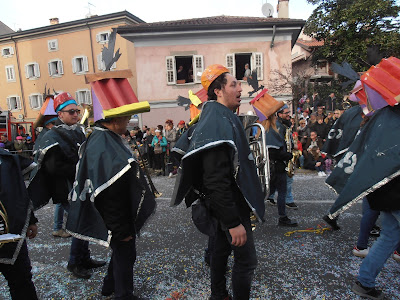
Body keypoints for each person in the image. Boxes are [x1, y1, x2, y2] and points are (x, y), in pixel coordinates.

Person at [171, 64, 265, 300]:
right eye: (233, 84)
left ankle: (218, 295)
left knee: (220, 252)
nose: (240, 88)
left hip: (223, 205)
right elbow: (215, 180)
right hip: (229, 206)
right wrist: (233, 222)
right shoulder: (217, 121)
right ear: (218, 91)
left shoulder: (218, 116)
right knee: (246, 262)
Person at [67, 115, 156, 299]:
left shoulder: (102, 137)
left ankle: (109, 286)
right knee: (125, 254)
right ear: (115, 120)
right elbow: (110, 193)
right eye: (126, 119)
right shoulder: (104, 144)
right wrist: (121, 229)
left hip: (118, 214)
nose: (128, 123)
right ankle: (123, 295)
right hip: (117, 217)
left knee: (121, 253)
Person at [28, 92, 105, 279]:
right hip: (65, 188)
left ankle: (84, 258)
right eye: (71, 112)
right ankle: (74, 262)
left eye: (77, 111)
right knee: (80, 224)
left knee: (85, 221)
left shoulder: (77, 131)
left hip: (80, 186)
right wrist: (80, 167)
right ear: (60, 114)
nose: (75, 115)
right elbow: (54, 168)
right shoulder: (51, 135)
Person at [0, 149, 38, 299]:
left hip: (11, 235)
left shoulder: (7, 160)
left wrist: (31, 220)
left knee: (21, 281)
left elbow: (20, 193)